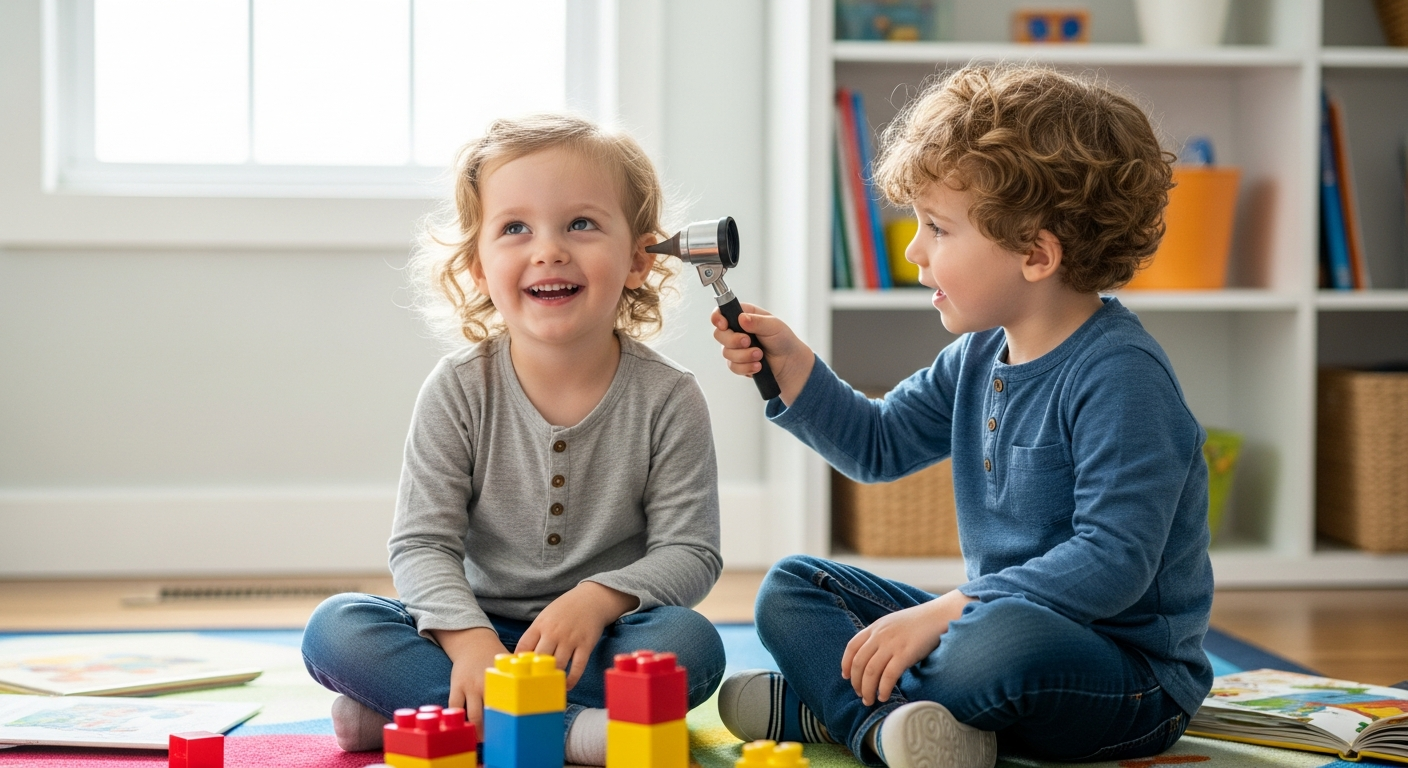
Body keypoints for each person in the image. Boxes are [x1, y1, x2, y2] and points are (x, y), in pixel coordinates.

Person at [710, 65, 1214, 768]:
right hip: (986, 621)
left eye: (938, 228)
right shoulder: (978, 355)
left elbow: (1113, 560)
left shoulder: (1122, 376)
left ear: (1035, 254)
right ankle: (886, 726)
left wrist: (951, 609)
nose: (913, 250)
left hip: (1128, 680)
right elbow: (878, 444)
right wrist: (795, 368)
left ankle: (835, 709)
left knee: (999, 644)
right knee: (792, 586)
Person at [301, 114, 725, 766]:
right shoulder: (458, 388)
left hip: (600, 636)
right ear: (478, 266)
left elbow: (690, 552)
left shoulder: (670, 398)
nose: (548, 250)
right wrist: (470, 642)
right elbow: (422, 545)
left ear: (639, 259)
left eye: (580, 224)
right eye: (515, 228)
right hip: (471, 633)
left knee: (692, 644)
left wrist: (596, 600)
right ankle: (571, 732)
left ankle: (425, 714)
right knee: (336, 628)